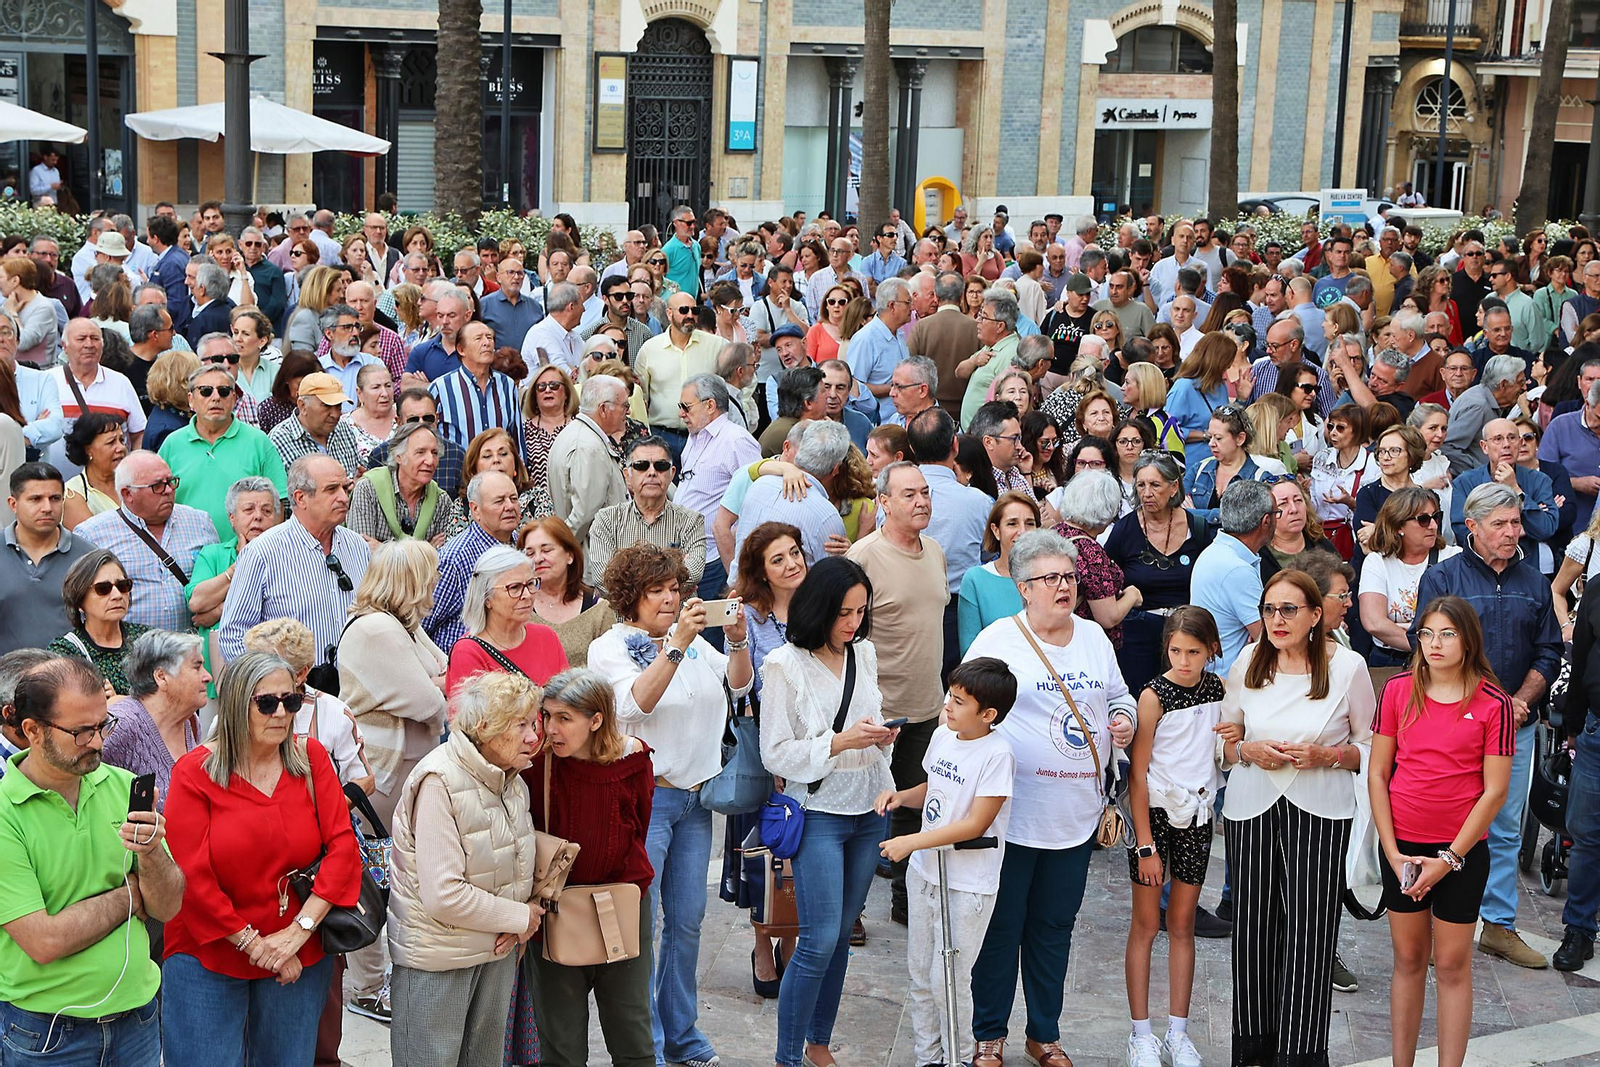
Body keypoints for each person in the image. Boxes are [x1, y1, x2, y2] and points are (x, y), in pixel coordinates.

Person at [962, 529, 1136, 1067]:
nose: (1065, 587)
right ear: (1023, 588)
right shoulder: (997, 641)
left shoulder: (1094, 638)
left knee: (1054, 929)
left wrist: (1124, 720)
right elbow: (963, 712)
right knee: (1001, 929)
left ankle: (1044, 1033)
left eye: (1070, 577)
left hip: (1075, 815)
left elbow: (1120, 695)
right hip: (1013, 816)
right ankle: (989, 1034)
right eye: (1051, 578)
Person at [588, 543, 752, 1066]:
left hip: (695, 801)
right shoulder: (611, 647)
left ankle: (681, 1035)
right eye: (655, 590)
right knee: (644, 925)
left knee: (687, 922)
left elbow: (739, 687)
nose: (668, 599)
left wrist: (738, 642)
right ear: (629, 598)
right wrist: (676, 644)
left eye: (674, 588)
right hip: (645, 802)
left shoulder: (695, 642)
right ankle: (649, 1047)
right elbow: (634, 704)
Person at [160, 651, 361, 1066]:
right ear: (237, 705)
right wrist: (256, 945)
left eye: (291, 701)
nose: (282, 713)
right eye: (267, 703)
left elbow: (343, 849)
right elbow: (192, 875)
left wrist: (298, 933)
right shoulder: (195, 772)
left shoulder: (311, 758)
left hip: (298, 949)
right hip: (209, 951)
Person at [1218, 568, 1374, 1067]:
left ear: (1315, 615)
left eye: (1289, 609)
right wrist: (1248, 750)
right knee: (1253, 931)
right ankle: (1252, 1050)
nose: (1277, 619)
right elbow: (1223, 744)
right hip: (1251, 807)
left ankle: (1301, 1053)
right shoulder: (1249, 660)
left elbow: (1372, 749)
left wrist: (1328, 756)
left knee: (1312, 931)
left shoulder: (1348, 666)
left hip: (1322, 810)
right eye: (1269, 609)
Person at [0, 656, 182, 1067]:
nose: (98, 742)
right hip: (47, 1034)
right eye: (81, 732)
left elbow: (169, 907)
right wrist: (130, 895)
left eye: (103, 725)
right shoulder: (5, 812)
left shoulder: (123, 785)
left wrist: (152, 852)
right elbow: (44, 942)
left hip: (138, 1018)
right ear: (32, 730)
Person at [1412, 482, 1562, 968]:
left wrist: (1518, 702)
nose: (1511, 532)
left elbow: (1549, 651)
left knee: (1503, 828)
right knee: (1443, 820)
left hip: (1514, 725)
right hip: (1453, 724)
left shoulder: (1534, 582)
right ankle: (1432, 923)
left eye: (1515, 522)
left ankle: (1498, 925)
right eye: (1499, 523)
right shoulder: (1443, 577)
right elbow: (1425, 646)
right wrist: (1479, 705)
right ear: (1472, 526)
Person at [757, 556, 896, 1067]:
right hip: (818, 811)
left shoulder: (865, 653)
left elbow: (869, 720)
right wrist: (839, 742)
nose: (853, 622)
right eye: (844, 613)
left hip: (871, 806)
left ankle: (818, 1043)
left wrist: (881, 736)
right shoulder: (783, 664)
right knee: (817, 939)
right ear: (819, 608)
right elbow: (774, 752)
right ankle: (787, 1057)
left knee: (839, 938)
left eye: (861, 611)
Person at [1370, 597, 1511, 1067]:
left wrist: (1448, 859)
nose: (1435, 644)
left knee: (1451, 964)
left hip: (1462, 853)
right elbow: (1378, 774)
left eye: (1448, 634)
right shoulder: (1397, 690)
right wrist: (1392, 853)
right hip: (1403, 849)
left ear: (1468, 640)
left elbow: (1494, 792)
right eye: (1427, 633)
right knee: (1408, 959)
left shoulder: (1494, 703)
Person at [385, 670, 544, 1067]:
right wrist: (520, 917)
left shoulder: (512, 781)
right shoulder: (439, 781)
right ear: (485, 727)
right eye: (521, 725)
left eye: (534, 723)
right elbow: (444, 895)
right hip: (440, 962)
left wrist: (518, 923)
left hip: (495, 951)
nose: (533, 737)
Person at [877, 657, 1016, 1067]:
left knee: (948, 980)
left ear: (988, 714)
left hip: (967, 884)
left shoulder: (997, 754)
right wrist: (902, 797)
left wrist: (912, 841)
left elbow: (976, 823)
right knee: (921, 975)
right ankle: (928, 1058)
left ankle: (956, 1057)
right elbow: (933, 786)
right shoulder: (942, 735)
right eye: (949, 696)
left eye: (958, 701)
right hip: (925, 873)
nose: (948, 706)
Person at [525, 668, 656, 1067]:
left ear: (596, 720)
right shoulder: (535, 765)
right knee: (560, 1047)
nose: (551, 728)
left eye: (564, 718)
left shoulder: (633, 758)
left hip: (622, 905)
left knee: (633, 1037)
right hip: (556, 909)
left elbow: (639, 826)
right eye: (547, 716)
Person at [846, 462, 950, 922]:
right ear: (884, 502)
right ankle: (850, 913)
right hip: (875, 712)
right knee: (859, 809)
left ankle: (906, 903)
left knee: (914, 804)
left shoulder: (935, 551)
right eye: (909, 494)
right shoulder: (864, 557)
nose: (921, 501)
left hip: (925, 706)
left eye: (925, 492)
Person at [1124, 607, 1226, 1067]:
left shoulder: (1219, 690)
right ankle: (1140, 1034)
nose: (1184, 661)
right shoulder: (1153, 696)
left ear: (1211, 650)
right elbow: (1138, 775)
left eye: (1194, 652)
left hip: (1198, 817)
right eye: (1176, 651)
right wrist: (1146, 845)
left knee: (1183, 924)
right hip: (1156, 819)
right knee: (1146, 925)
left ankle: (1178, 1034)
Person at [159, 360, 287, 540]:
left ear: (234, 399)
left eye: (224, 391)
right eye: (206, 391)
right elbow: (156, 499)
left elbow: (278, 503)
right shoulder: (172, 444)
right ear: (191, 399)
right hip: (186, 550)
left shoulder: (258, 442)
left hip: (245, 551)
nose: (216, 397)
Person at [444, 543, 569, 695]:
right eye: (514, 588)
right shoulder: (468, 652)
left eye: (530, 584)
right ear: (486, 598)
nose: (527, 595)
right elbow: (470, 710)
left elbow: (568, 701)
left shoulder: (546, 637)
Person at [102, 630, 208, 806]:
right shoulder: (121, 725)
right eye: (197, 668)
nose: (207, 677)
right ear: (162, 677)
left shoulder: (189, 721)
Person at [588, 436, 707, 590]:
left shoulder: (692, 520)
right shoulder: (606, 520)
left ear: (672, 473)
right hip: (632, 609)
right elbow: (603, 578)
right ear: (627, 474)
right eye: (641, 466)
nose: (652, 472)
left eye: (661, 466)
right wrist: (673, 572)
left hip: (674, 609)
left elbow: (694, 573)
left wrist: (626, 574)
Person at [1359, 488, 1460, 666]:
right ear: (1398, 526)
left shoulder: (1454, 557)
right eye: (1423, 519)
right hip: (1390, 661)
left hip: (1444, 661)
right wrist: (1427, 644)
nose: (1433, 525)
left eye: (1436, 517)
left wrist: (1431, 648)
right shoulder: (1377, 562)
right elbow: (1374, 623)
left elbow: (1463, 619)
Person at [47, 548, 151, 694]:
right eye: (103, 588)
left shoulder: (147, 639)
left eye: (122, 585)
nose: (117, 595)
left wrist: (123, 703)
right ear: (79, 601)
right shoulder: (65, 652)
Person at [345, 420, 459, 546]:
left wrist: (381, 549)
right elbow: (361, 551)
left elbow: (442, 556)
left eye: (434, 453)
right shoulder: (369, 489)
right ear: (398, 456)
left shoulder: (441, 501)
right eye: (420, 452)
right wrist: (427, 550)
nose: (430, 461)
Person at [545, 374, 628, 545]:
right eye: (625, 406)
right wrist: (563, 547)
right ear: (603, 409)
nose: (629, 412)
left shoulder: (574, 434)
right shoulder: (589, 447)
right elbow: (583, 516)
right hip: (592, 555)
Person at [957, 492, 1040, 655]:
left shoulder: (1053, 578)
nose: (1023, 531)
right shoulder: (976, 580)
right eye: (1012, 524)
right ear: (996, 530)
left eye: (1030, 523)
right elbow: (969, 652)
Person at [60, 412, 126, 530]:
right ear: (88, 450)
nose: (121, 448)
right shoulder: (73, 493)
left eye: (121, 440)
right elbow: (90, 537)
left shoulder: (135, 483)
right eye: (111, 442)